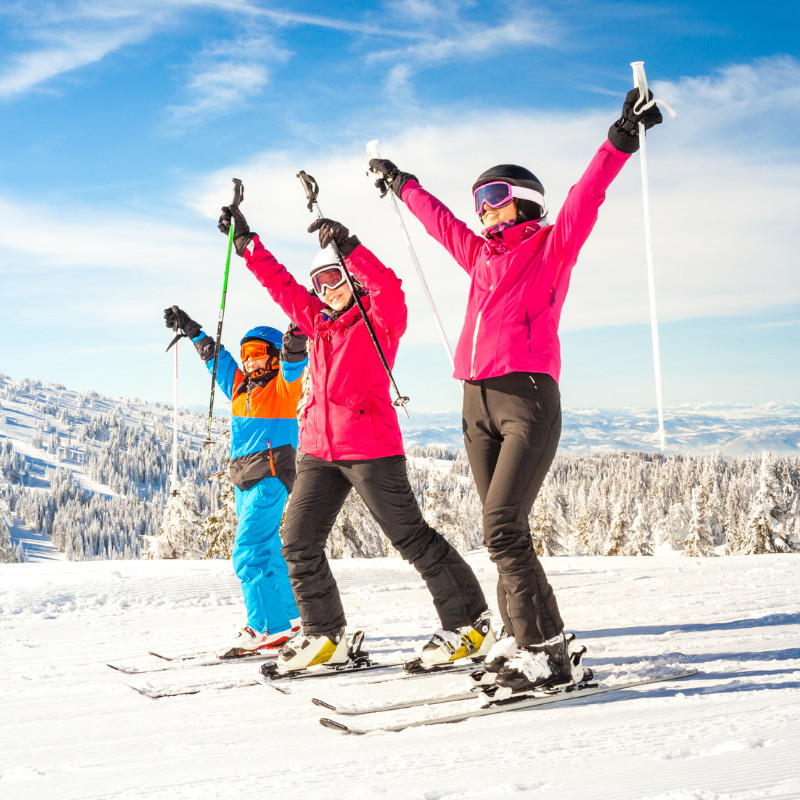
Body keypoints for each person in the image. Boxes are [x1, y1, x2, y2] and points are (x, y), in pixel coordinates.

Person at [367, 88, 663, 692]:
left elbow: (587, 197)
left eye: (496, 198)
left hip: (525, 397)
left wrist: (619, 139)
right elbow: (439, 222)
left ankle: (546, 651)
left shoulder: (552, 247)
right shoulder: (479, 257)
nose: (484, 211)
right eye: (480, 202)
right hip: (475, 401)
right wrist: (403, 184)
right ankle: (529, 639)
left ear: (524, 203)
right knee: (501, 529)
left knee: (502, 526)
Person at [215, 205, 491, 674]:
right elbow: (280, 285)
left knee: (411, 538)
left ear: (354, 282)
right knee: (297, 542)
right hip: (319, 452)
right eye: (319, 283)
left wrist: (350, 247)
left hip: (370, 449)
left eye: (335, 280)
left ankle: (469, 623)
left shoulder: (380, 321)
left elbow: (390, 288)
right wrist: (247, 245)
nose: (325, 289)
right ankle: (326, 636)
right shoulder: (317, 323)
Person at [163, 307, 308, 658]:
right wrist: (192, 330)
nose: (251, 362)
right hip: (243, 480)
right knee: (268, 551)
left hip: (270, 476)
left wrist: (295, 339)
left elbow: (294, 364)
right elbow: (218, 361)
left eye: (258, 355)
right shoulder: (241, 388)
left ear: (274, 357)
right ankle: (293, 618)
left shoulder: (282, 390)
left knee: (248, 551)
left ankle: (265, 628)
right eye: (248, 356)